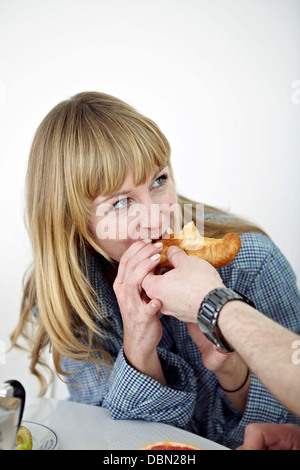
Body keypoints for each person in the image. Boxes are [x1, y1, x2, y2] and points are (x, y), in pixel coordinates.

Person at [11, 91, 300, 449]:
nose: (157, 216)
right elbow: (111, 443)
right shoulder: (68, 299)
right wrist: (139, 352)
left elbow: (289, 428)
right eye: (120, 202)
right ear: (74, 221)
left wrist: (231, 370)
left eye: (158, 181)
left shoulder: (252, 263)